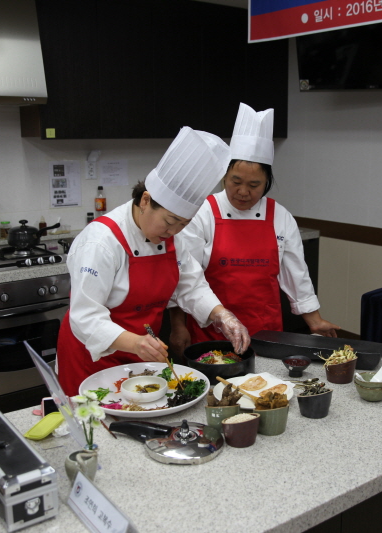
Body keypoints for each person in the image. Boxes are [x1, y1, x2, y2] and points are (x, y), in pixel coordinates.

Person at [57, 127, 251, 395]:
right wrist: (135, 343)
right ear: (146, 200)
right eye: (170, 222)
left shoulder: (173, 236)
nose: (173, 233)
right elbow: (85, 316)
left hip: (143, 355)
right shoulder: (101, 242)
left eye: (183, 224)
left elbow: (191, 286)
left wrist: (223, 315)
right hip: (92, 359)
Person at [169, 103, 339, 355]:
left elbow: (297, 275)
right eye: (235, 181)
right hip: (212, 331)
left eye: (254, 185)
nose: (243, 192)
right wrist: (177, 325)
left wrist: (314, 321)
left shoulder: (279, 216)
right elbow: (184, 276)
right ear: (224, 176)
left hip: (266, 332)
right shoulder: (203, 212)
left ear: (267, 182)